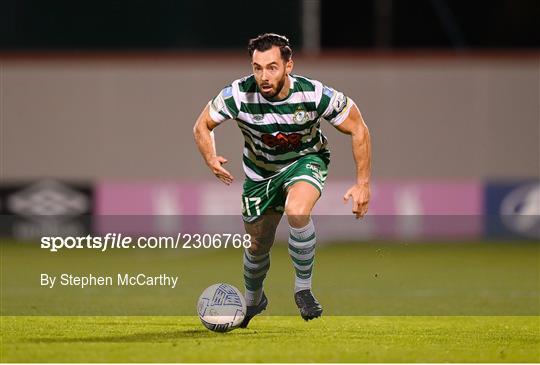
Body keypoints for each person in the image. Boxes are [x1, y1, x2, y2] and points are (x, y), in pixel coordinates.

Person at [193, 33, 371, 328]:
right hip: (259, 175)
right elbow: (202, 125)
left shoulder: (314, 94)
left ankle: (303, 290)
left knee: (297, 210)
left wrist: (363, 182)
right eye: (257, 67)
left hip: (305, 161)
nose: (264, 76)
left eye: (272, 67)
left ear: (289, 65)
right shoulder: (237, 94)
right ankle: (253, 300)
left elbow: (359, 128)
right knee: (257, 245)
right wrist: (210, 157)